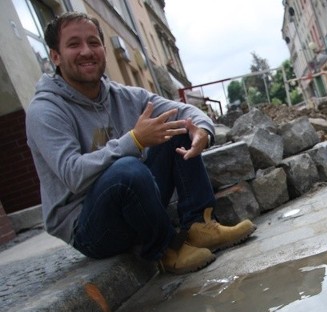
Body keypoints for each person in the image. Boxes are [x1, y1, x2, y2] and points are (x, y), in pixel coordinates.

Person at [26, 12, 256, 274]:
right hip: (89, 227)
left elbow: (184, 111)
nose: (86, 51)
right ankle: (164, 248)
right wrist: (134, 140)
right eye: (74, 44)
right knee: (126, 169)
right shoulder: (45, 110)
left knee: (175, 125)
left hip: (133, 199)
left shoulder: (121, 95)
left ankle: (199, 225)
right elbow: (73, 175)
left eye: (93, 42)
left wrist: (202, 131)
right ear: (55, 56)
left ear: (103, 48)